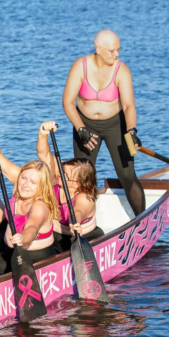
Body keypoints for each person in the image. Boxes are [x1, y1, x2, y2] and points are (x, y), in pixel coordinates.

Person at [62, 29, 146, 216]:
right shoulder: (81, 66)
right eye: (112, 50)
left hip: (115, 125)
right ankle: (83, 220)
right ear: (99, 49)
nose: (117, 54)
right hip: (85, 127)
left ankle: (141, 219)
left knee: (126, 175)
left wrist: (132, 131)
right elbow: (67, 102)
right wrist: (81, 129)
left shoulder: (121, 70)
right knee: (82, 176)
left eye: (118, 50)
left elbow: (129, 106)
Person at [0, 124, 60, 270]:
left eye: (33, 182)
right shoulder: (19, 183)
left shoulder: (40, 205)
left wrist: (22, 238)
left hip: (35, 258)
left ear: (42, 186)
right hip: (11, 252)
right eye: (23, 178)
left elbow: (32, 228)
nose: (25, 185)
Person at [56, 158, 104, 251]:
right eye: (62, 170)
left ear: (77, 184)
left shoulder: (86, 197)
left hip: (86, 237)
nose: (60, 174)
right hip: (57, 236)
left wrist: (75, 222)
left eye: (66, 175)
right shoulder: (55, 187)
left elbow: (78, 211)